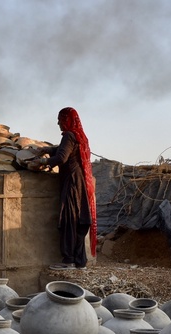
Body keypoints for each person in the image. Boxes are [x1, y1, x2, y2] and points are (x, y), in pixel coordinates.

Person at [29, 107, 97, 270]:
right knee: (79, 219)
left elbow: (62, 157)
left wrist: (42, 162)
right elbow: (65, 149)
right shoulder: (79, 136)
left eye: (60, 119)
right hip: (80, 181)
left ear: (67, 120)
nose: (58, 122)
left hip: (72, 182)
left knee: (69, 219)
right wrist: (47, 149)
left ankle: (69, 260)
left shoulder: (68, 135)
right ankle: (80, 261)